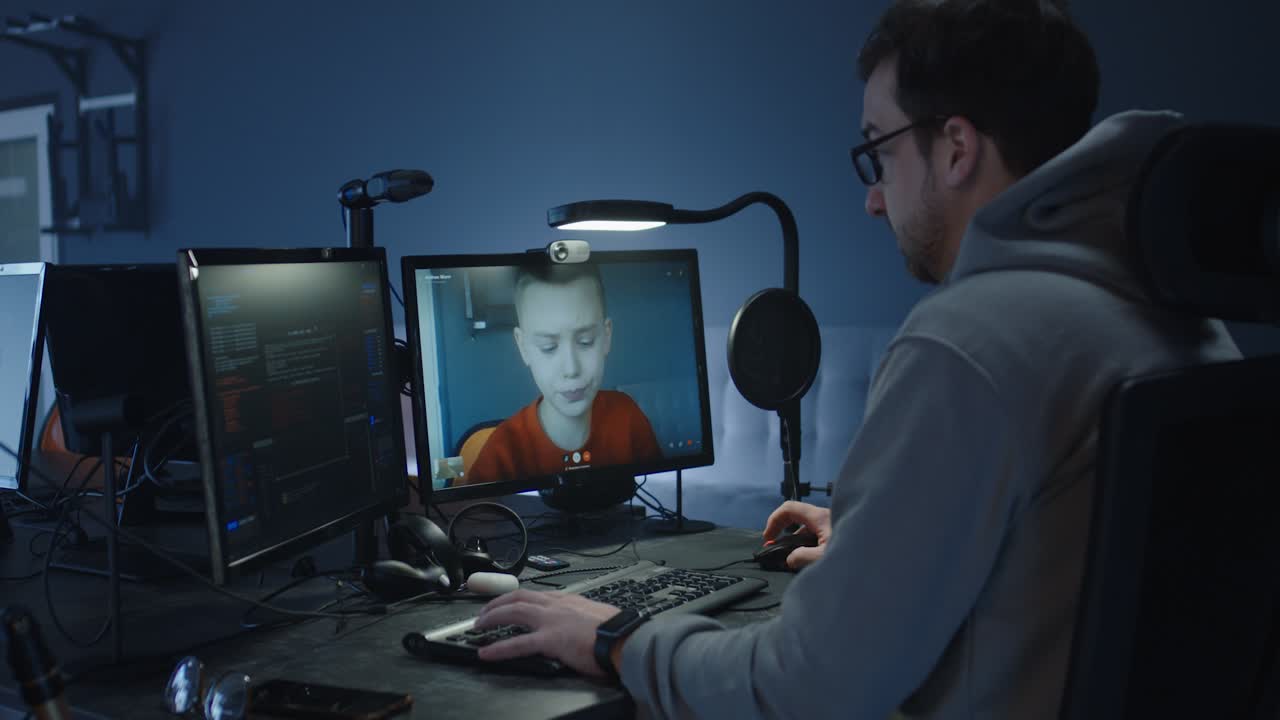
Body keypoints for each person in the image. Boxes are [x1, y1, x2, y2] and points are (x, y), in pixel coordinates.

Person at [470, 0, 1241, 716]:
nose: (873, 197)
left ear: (956, 148)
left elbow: (802, 687)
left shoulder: (970, 341)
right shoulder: (1176, 318)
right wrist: (883, 536)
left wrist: (613, 638)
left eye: (878, 152)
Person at [460, 262, 662, 486]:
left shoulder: (628, 417)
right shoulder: (502, 451)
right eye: (548, 347)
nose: (571, 369)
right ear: (523, 347)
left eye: (585, 342)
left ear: (606, 337)